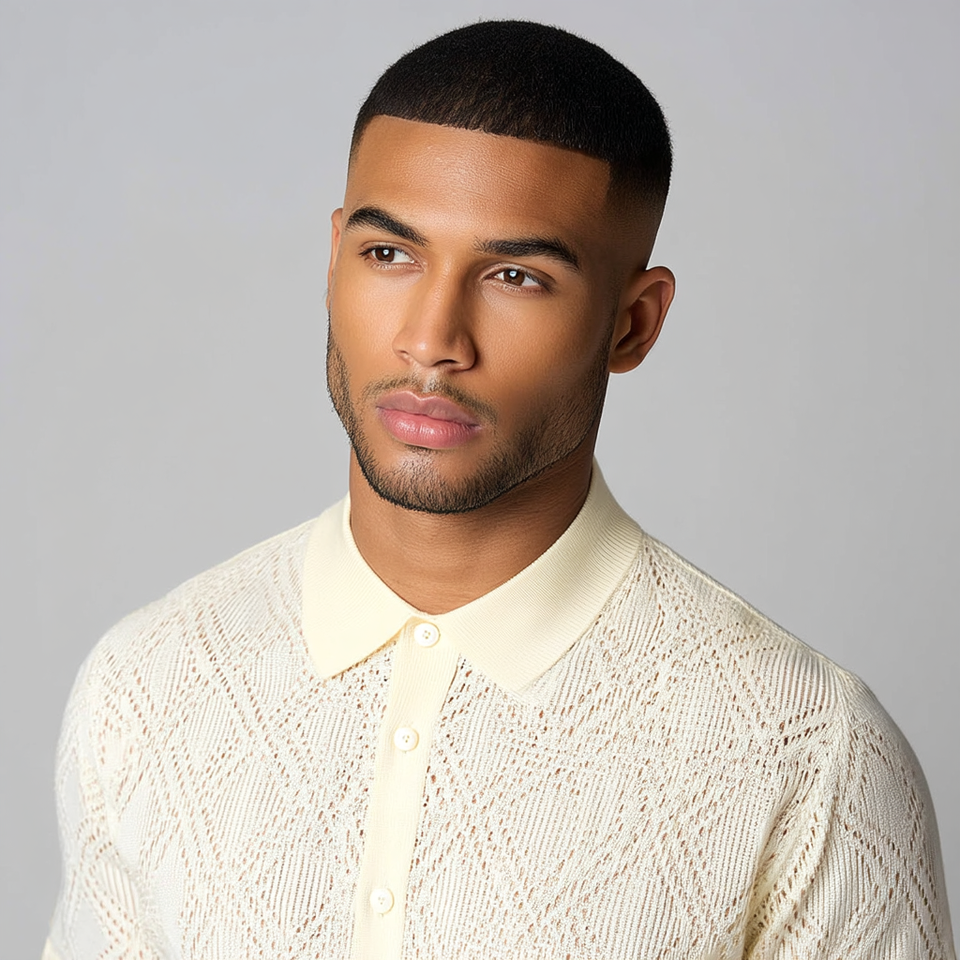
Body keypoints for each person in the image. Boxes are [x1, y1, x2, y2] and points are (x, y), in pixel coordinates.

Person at [44, 19, 955, 960]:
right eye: (388, 255)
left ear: (633, 325)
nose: (432, 340)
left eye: (516, 276)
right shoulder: (144, 685)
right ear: (333, 257)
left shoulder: (808, 753)